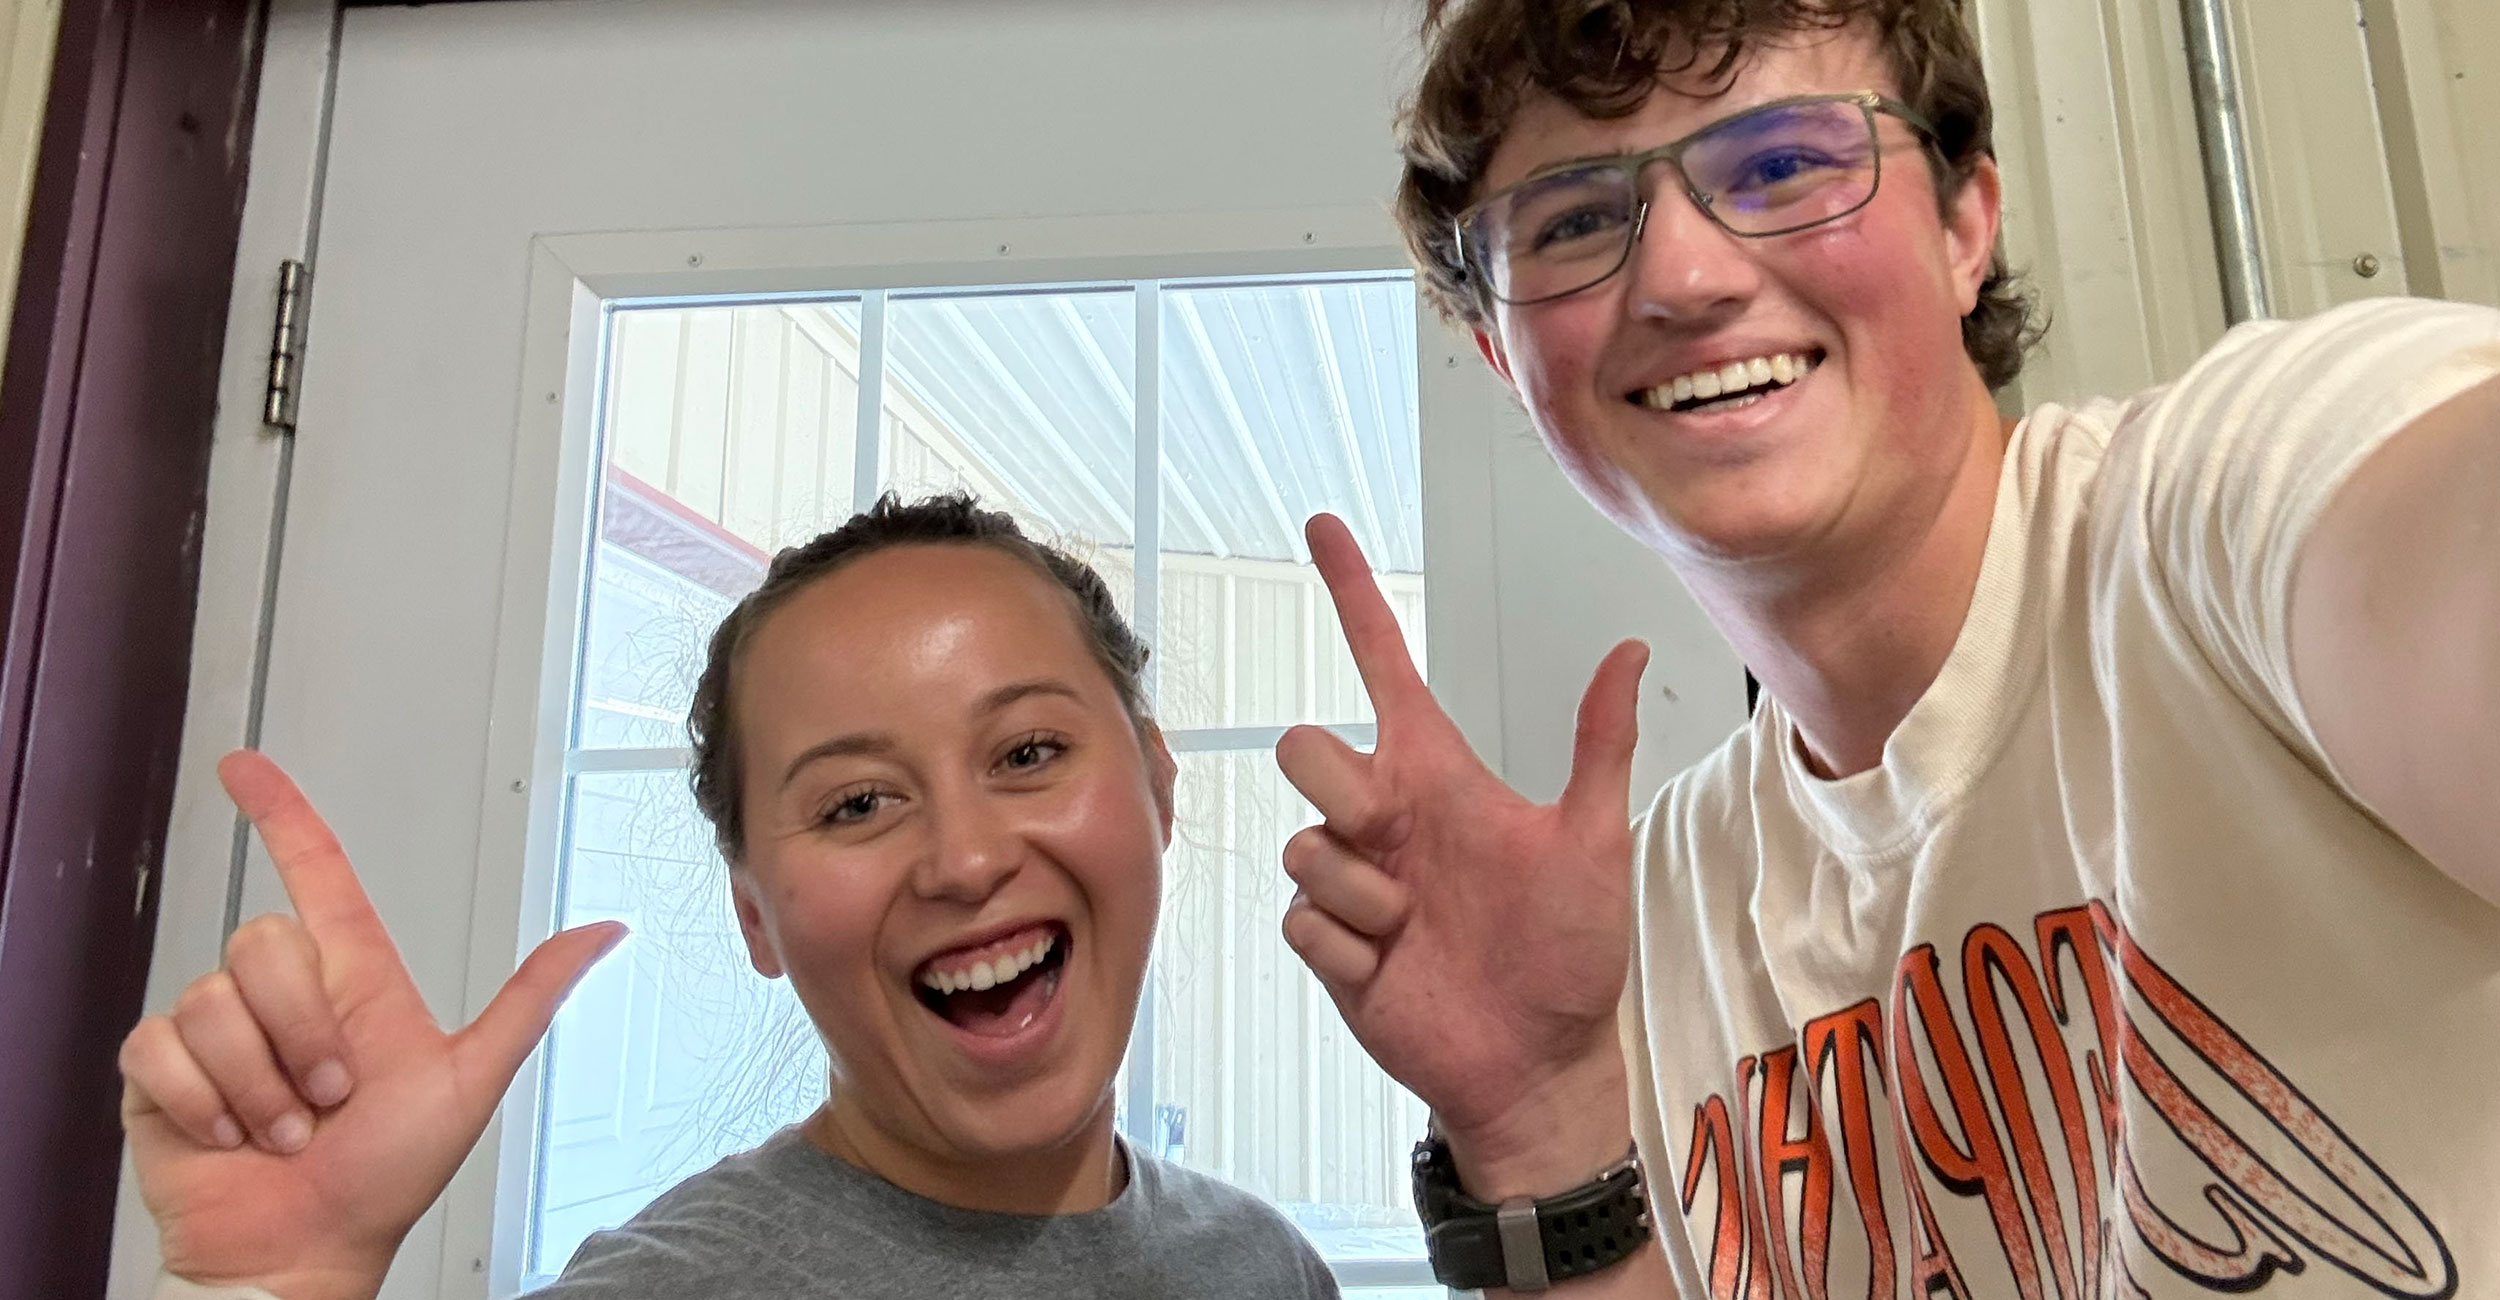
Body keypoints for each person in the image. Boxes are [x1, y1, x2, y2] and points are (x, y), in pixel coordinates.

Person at [1273, 0, 2500, 1296]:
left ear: (1966, 223)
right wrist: (1534, 1117)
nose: (1685, 278)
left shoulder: (2218, 519)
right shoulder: (1666, 911)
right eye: (1576, 221)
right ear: (1504, 361)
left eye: (1787, 165)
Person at [123, 493, 1341, 1300]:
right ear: (755, 912)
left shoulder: (1263, 1268)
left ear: (1159, 787)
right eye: (857, 803)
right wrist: (269, 1286)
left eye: (1027, 753)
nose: (965, 861)